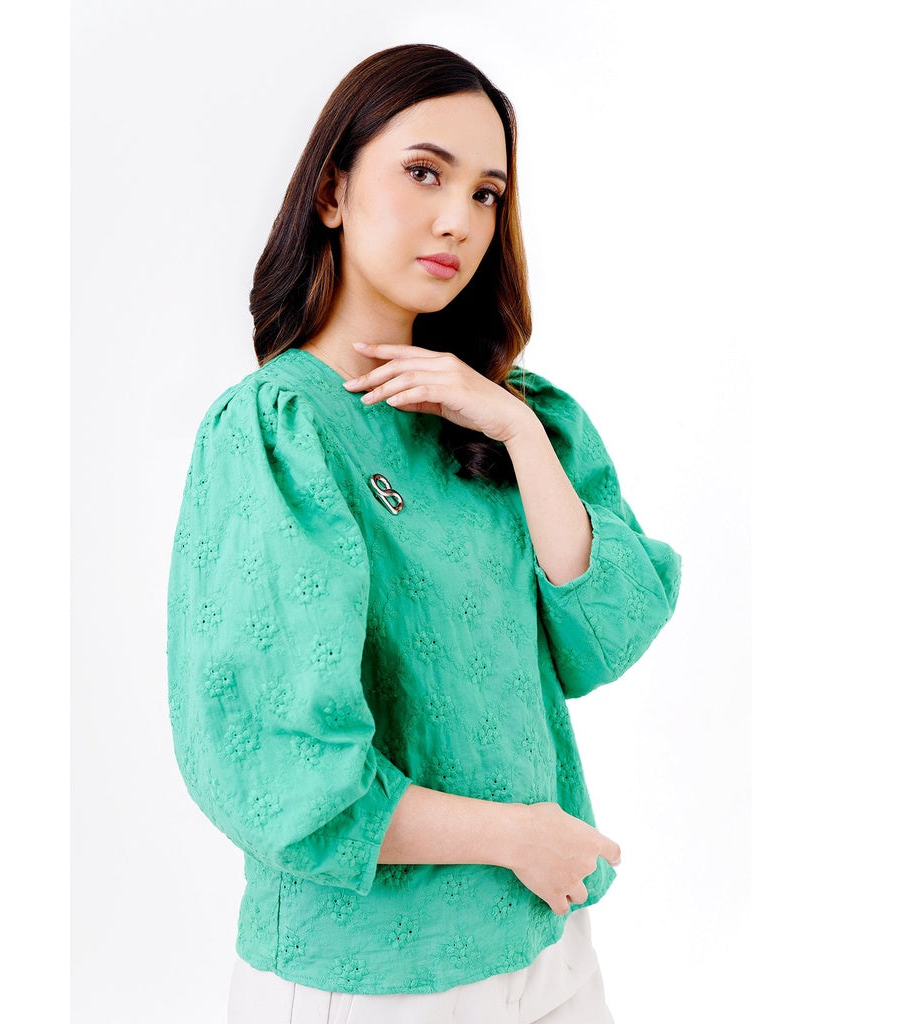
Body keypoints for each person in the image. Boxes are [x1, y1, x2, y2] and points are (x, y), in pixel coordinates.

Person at [166, 42, 682, 1024]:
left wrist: (518, 432)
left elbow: (607, 632)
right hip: (367, 973)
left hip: (546, 939)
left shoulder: (506, 414)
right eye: (423, 173)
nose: (460, 219)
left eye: (487, 192)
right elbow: (281, 770)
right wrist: (519, 836)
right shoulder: (279, 431)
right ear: (331, 191)